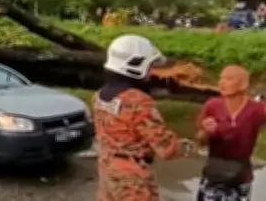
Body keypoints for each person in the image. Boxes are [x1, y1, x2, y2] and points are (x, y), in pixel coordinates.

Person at [93, 34, 183, 201]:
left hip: (107, 169)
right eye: (149, 66)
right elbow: (166, 149)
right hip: (131, 179)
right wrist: (190, 146)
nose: (151, 72)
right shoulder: (137, 100)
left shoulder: (100, 95)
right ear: (135, 65)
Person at [195, 65, 266, 201]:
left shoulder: (257, 110)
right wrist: (205, 131)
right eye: (221, 78)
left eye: (229, 79)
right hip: (214, 175)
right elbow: (200, 141)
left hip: (241, 177)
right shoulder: (212, 105)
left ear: (243, 84)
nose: (221, 83)